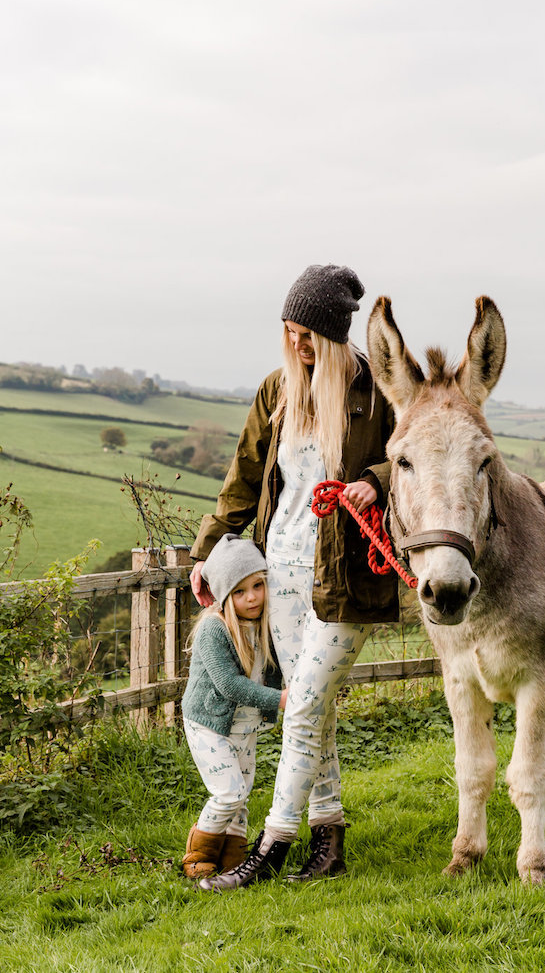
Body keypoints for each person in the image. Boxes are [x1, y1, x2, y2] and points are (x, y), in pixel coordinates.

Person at [189, 263, 398, 890]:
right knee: (316, 708)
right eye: (289, 331)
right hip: (277, 573)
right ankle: (327, 841)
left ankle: (271, 846)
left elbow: (410, 460)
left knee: (303, 703)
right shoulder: (276, 391)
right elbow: (243, 480)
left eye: (309, 334)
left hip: (346, 576)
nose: (298, 344)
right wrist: (209, 555)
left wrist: (375, 482)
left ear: (336, 337)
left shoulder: (375, 393)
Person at [181, 533, 287, 879]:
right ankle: (199, 853)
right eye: (240, 592)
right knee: (228, 791)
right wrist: (280, 700)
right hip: (209, 723)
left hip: (246, 724)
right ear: (225, 595)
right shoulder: (215, 628)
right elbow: (229, 684)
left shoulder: (269, 626)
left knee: (242, 793)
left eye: (258, 585)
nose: (252, 597)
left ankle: (233, 857)